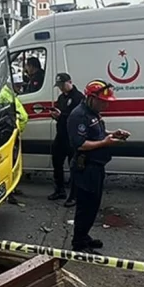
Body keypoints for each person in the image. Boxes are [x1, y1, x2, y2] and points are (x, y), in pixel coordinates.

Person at [67, 80, 129, 253]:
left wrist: (112, 134)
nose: (106, 105)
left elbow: (97, 133)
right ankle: (78, 243)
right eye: (102, 101)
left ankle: (84, 235)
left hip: (96, 166)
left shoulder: (93, 113)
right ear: (91, 98)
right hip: (86, 168)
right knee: (85, 207)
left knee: (93, 206)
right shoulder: (79, 115)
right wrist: (104, 142)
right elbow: (79, 144)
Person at [48, 73, 85, 205]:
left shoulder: (78, 98)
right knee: (56, 162)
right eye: (59, 86)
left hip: (72, 136)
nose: (61, 88)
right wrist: (55, 115)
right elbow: (61, 114)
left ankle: (74, 195)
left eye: (62, 85)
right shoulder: (61, 98)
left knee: (73, 166)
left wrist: (61, 115)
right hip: (61, 135)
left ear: (70, 82)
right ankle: (59, 190)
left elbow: (77, 117)